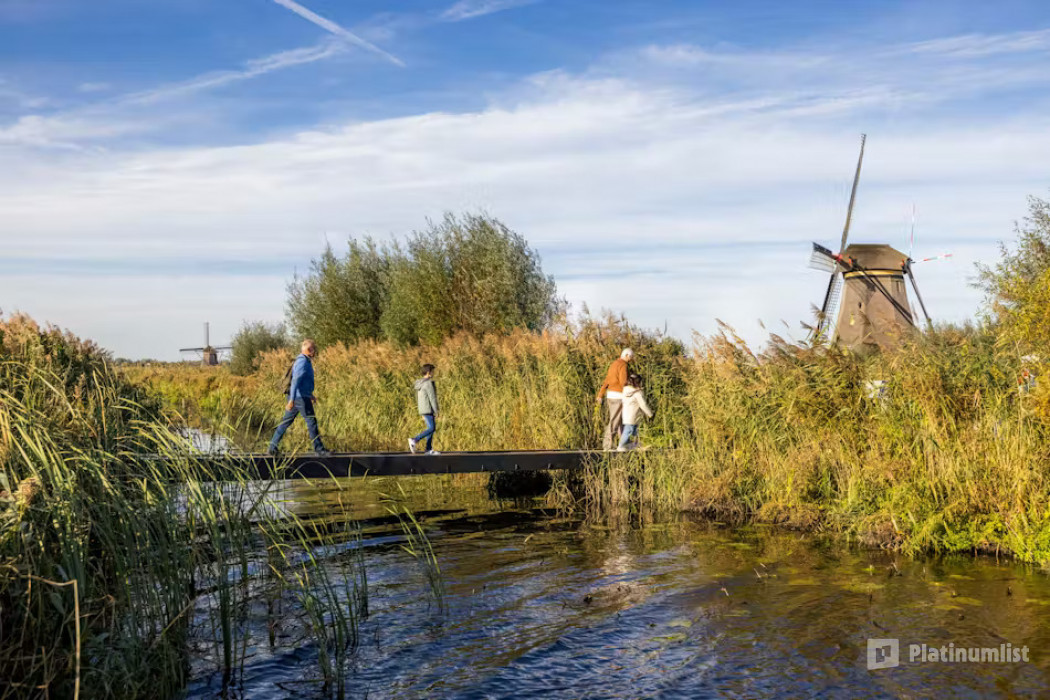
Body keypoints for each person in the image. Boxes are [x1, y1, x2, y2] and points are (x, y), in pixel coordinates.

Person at [268, 339, 329, 455]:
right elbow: (295, 381)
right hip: (300, 399)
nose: (315, 351)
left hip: (300, 397)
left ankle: (272, 448)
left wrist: (310, 395)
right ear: (309, 349)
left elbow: (303, 382)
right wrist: (291, 400)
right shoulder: (302, 362)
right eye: (313, 348)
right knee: (311, 421)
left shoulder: (304, 360)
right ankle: (319, 450)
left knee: (286, 422)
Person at [596, 348, 633, 450]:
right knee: (615, 420)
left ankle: (624, 444)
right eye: (631, 357)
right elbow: (623, 382)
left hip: (610, 396)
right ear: (627, 356)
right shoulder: (623, 365)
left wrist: (600, 394)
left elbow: (607, 380)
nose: (631, 359)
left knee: (621, 420)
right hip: (619, 396)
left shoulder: (613, 364)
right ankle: (607, 445)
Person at [409, 363, 440, 455]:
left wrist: (422, 412)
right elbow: (432, 398)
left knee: (430, 428)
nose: (433, 373)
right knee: (432, 428)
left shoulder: (420, 383)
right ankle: (415, 439)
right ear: (428, 372)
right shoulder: (428, 383)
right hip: (428, 409)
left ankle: (428, 449)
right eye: (432, 371)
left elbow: (419, 398)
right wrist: (436, 411)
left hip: (423, 409)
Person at [618, 373, 654, 451]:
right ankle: (621, 446)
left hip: (626, 415)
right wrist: (650, 414)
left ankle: (635, 445)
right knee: (628, 431)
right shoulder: (637, 393)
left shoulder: (625, 391)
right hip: (633, 415)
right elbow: (643, 405)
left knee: (634, 431)